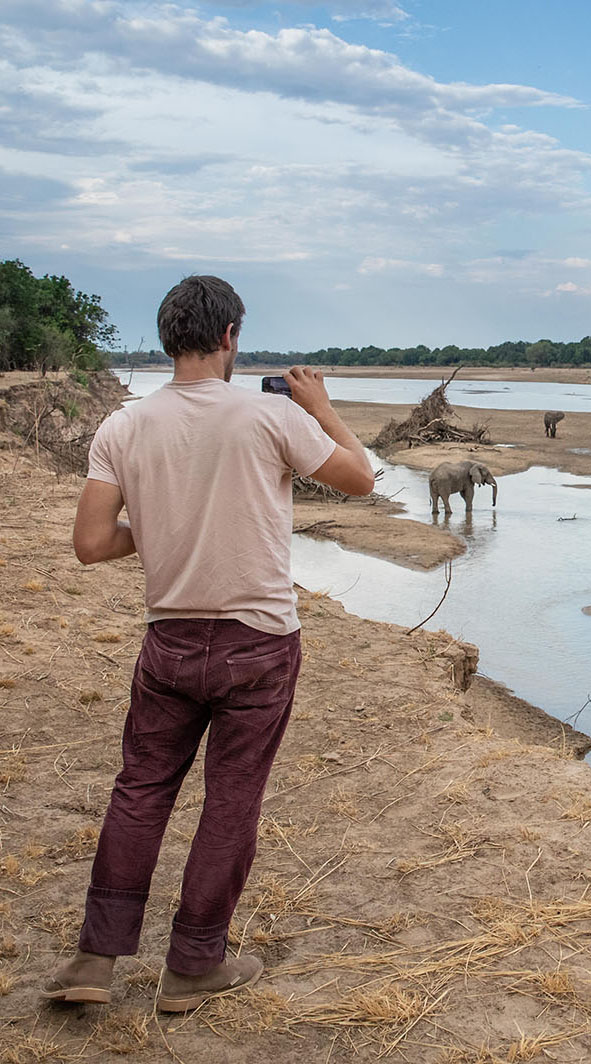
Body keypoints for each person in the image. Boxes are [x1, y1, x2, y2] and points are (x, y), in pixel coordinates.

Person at [42, 275, 375, 1011]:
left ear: (168, 339)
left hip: (168, 641)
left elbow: (92, 544)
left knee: (140, 791)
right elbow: (360, 481)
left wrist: (165, 525)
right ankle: (193, 966)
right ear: (230, 336)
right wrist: (321, 409)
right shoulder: (268, 416)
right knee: (230, 803)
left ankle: (96, 960)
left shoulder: (122, 428)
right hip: (257, 643)